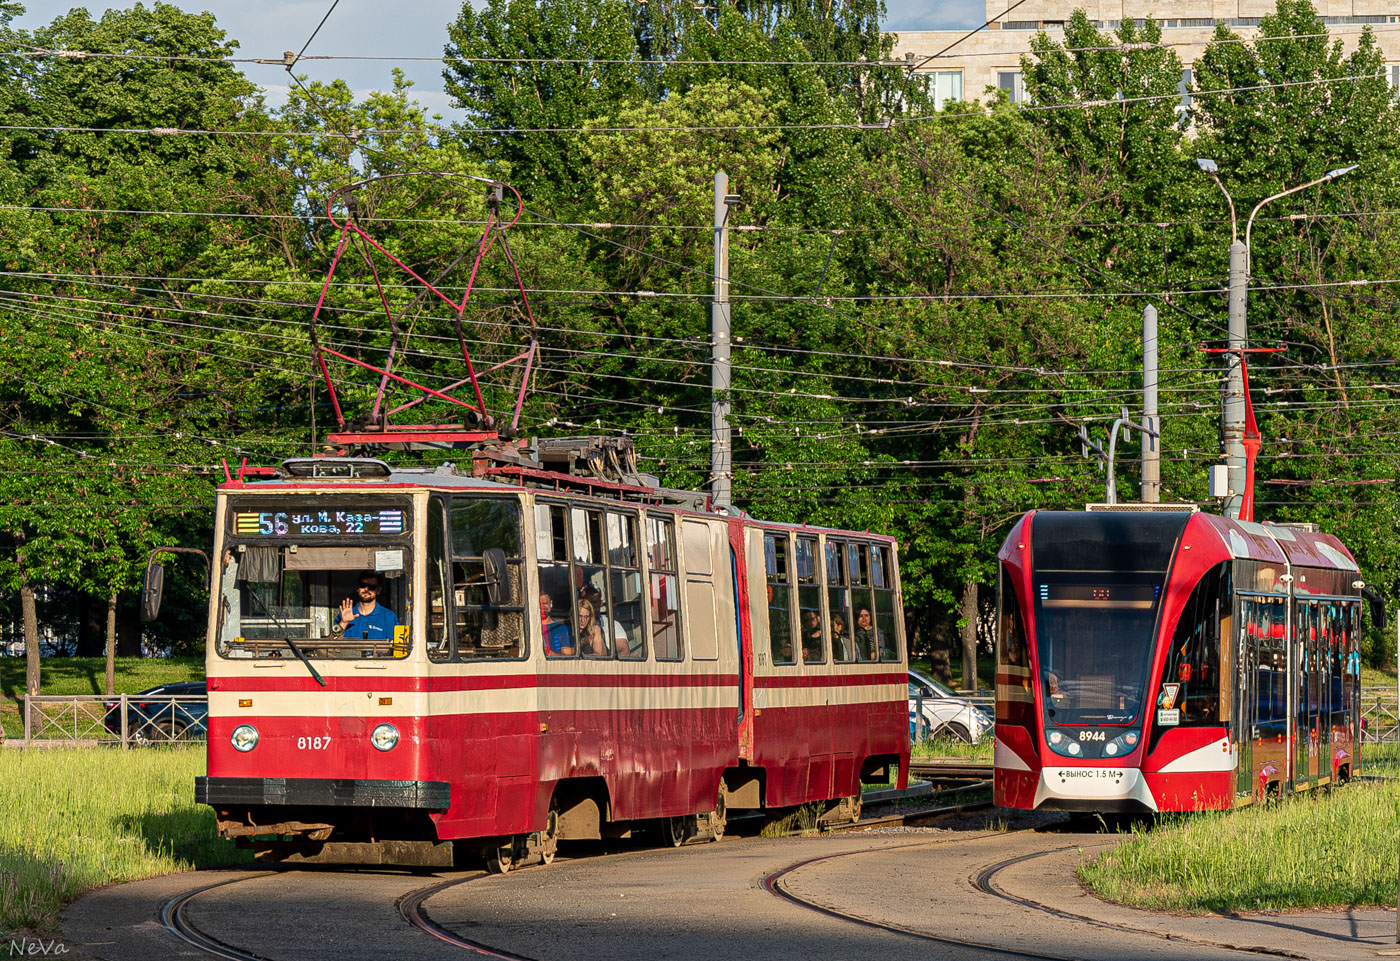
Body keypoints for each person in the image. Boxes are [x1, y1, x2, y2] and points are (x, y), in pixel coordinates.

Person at [334, 572, 398, 641]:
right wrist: (344, 623)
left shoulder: (388, 616)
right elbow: (332, 642)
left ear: (378, 590)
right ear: (358, 588)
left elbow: (395, 644)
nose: (366, 589)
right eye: (363, 585)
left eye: (372, 587)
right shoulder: (345, 614)